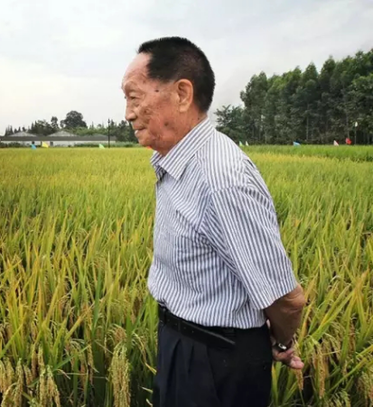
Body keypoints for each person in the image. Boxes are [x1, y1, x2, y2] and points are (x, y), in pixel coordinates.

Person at [121, 37, 306, 407]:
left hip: (216, 363)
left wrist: (283, 342)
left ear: (182, 94)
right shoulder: (176, 163)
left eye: (134, 97)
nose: (127, 113)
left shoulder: (221, 179)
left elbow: (287, 299)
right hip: (183, 345)